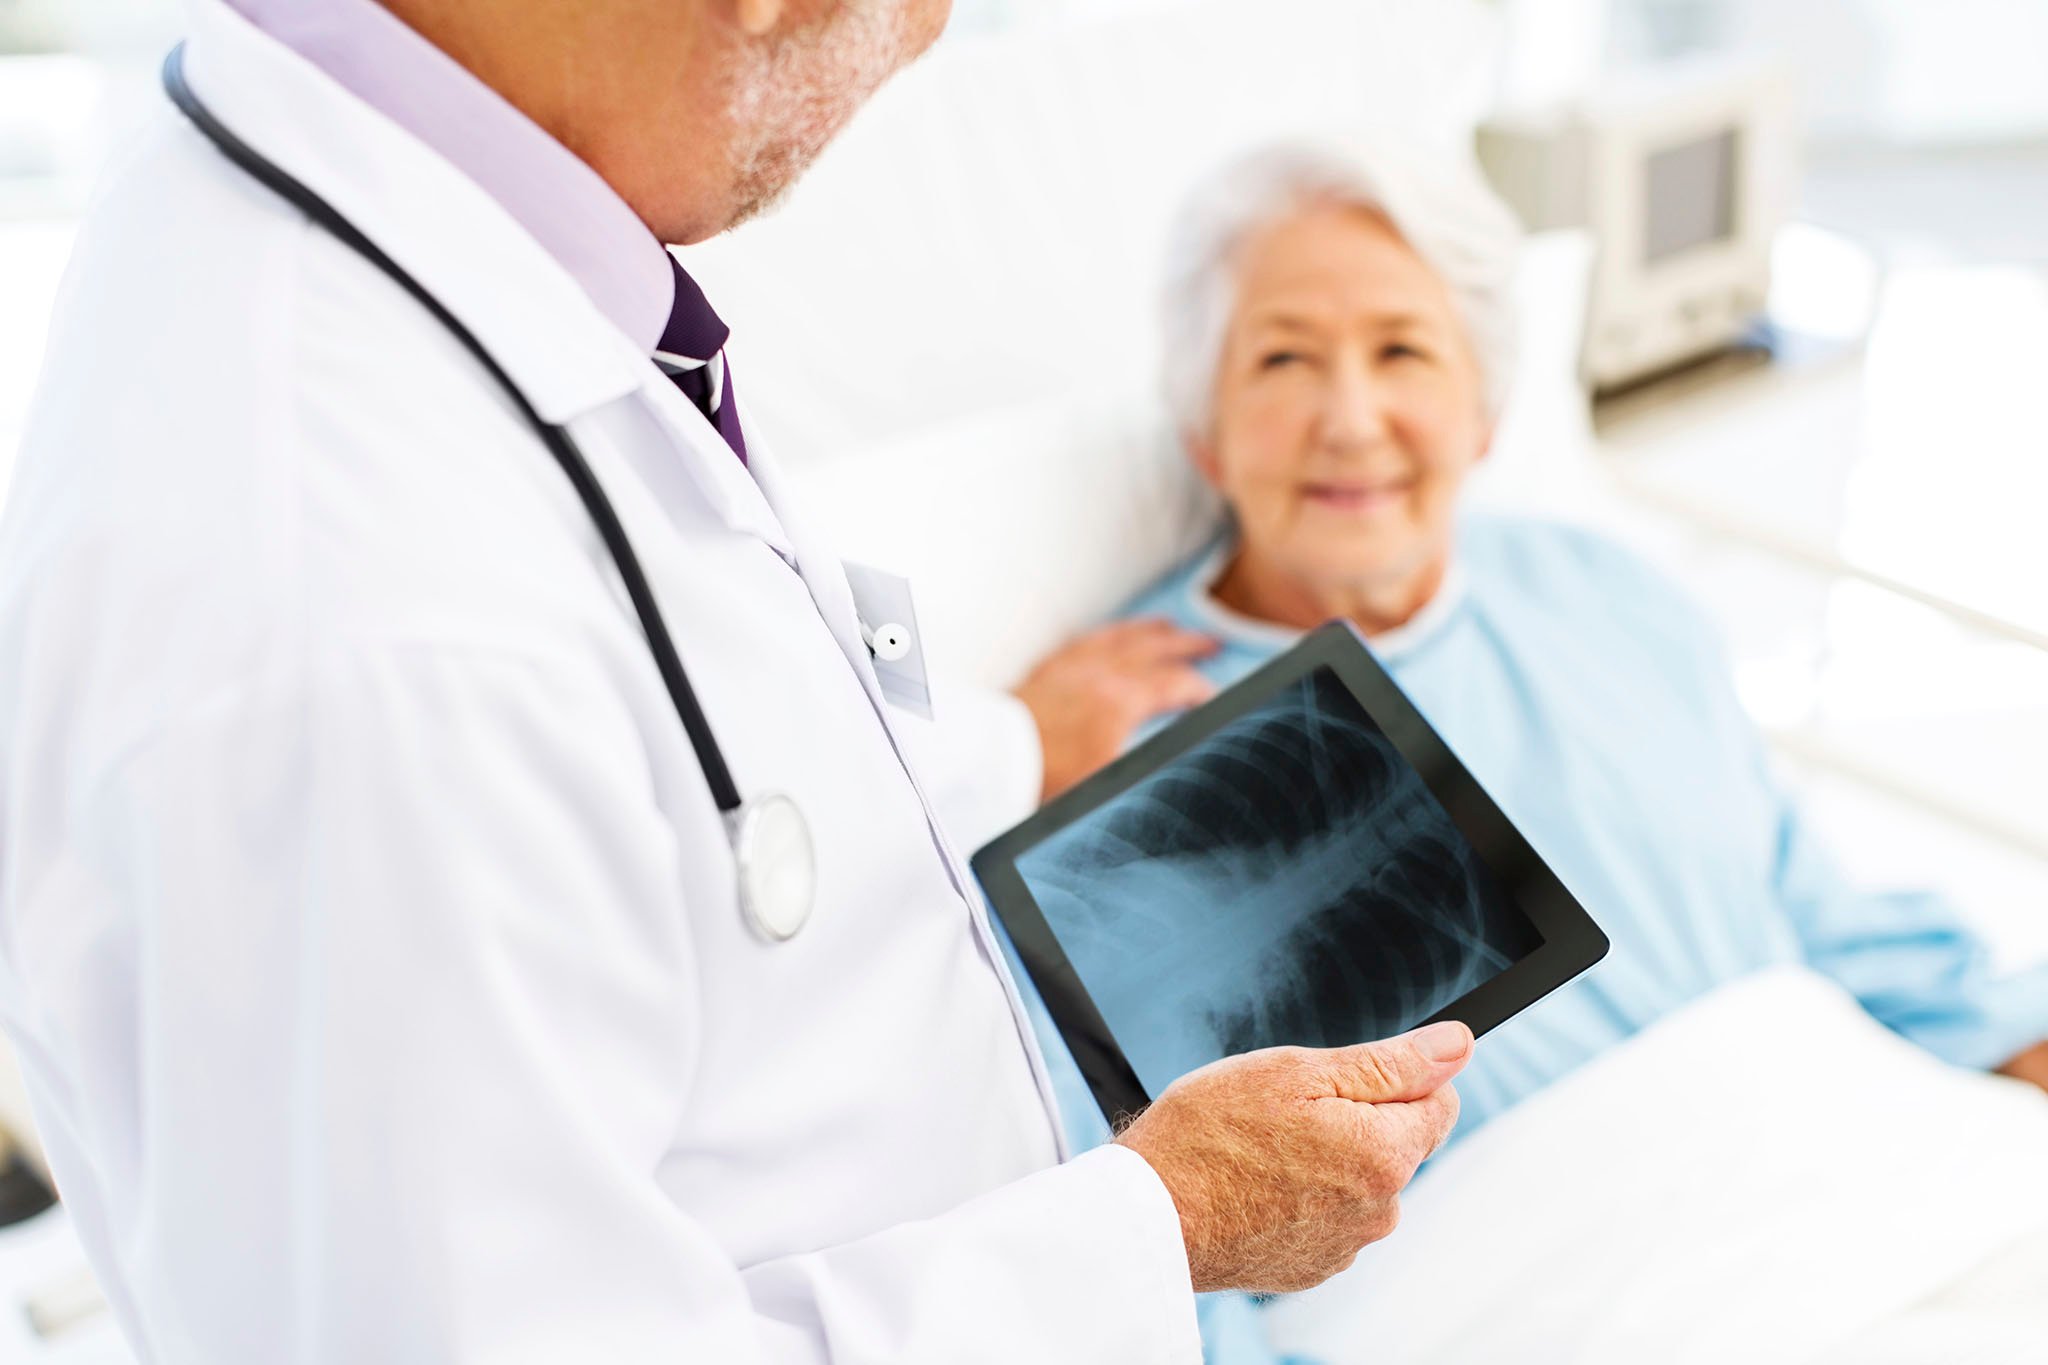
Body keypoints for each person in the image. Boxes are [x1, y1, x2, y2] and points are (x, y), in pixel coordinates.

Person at [0, 8, 1477, 1361]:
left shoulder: (445, 227)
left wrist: (1013, 747)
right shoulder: (369, 631)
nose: (921, 49)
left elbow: (696, 757)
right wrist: (1166, 1222)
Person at [1004, 137, 2048, 1362]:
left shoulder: (1606, 597)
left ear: (1484, 411)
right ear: (1204, 429)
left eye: (1401, 351)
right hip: (1538, 1294)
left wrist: (2005, 1040)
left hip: (1870, 1178)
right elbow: (1152, 1227)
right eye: (1283, 359)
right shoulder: (1111, 755)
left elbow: (1818, 918)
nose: (1349, 421)